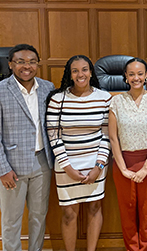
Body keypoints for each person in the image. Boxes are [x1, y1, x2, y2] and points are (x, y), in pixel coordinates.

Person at [0, 44, 55, 251]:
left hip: (42, 162)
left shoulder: (47, 87)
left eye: (32, 62)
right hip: (11, 166)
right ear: (11, 64)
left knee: (39, 216)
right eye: (21, 62)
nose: (27, 66)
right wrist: (2, 169)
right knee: (11, 220)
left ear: (37, 65)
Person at [46, 55, 111, 251]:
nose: (80, 74)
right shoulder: (58, 100)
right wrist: (68, 168)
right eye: (75, 70)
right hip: (66, 164)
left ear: (91, 72)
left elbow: (107, 135)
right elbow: (54, 137)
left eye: (84, 69)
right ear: (70, 74)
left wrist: (98, 166)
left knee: (94, 207)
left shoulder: (104, 97)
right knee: (68, 213)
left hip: (96, 164)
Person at [109, 57, 147, 251]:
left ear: (146, 76)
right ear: (125, 77)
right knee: (127, 213)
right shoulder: (116, 101)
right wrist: (123, 168)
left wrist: (146, 167)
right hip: (123, 163)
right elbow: (113, 138)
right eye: (131, 74)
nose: (136, 78)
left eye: (140, 74)